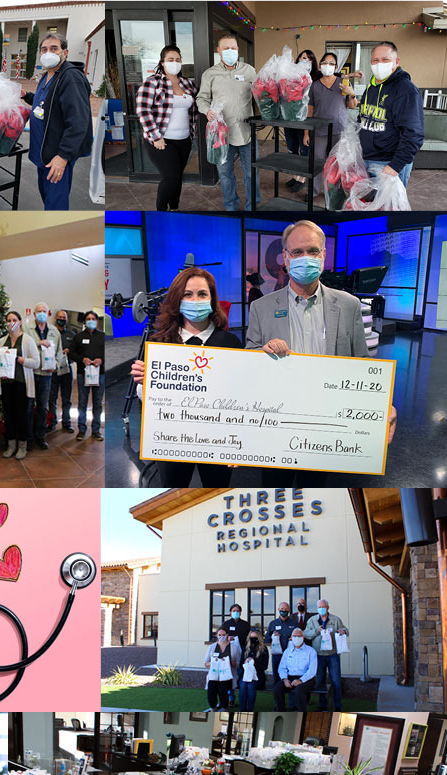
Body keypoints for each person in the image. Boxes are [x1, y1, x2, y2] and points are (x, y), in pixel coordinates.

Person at [246, 219, 371, 486]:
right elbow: (249, 358)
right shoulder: (261, 308)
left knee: (315, 489)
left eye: (313, 251)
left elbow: (362, 362)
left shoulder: (349, 305)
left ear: (324, 256)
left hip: (324, 422)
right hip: (277, 420)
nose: (306, 258)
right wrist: (261, 353)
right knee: (273, 487)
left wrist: (379, 408)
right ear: (285, 259)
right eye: (297, 252)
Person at [130, 266, 242, 487]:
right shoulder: (159, 342)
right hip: (172, 439)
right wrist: (145, 382)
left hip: (217, 440)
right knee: (173, 495)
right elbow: (146, 398)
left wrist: (238, 443)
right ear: (177, 300)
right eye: (187, 294)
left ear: (212, 299)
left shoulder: (231, 344)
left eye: (202, 294)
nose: (195, 300)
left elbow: (240, 398)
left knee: (215, 496)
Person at [22, 33, 94, 210]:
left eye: (54, 48)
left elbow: (79, 121)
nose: (49, 53)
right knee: (47, 196)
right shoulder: (47, 76)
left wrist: (63, 157)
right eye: (44, 49)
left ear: (65, 52)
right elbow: (47, 103)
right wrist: (27, 96)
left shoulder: (71, 78)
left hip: (56, 156)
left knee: (55, 205)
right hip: (44, 153)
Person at [196, 34, 261, 211]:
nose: (230, 51)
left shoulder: (249, 71)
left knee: (251, 173)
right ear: (218, 51)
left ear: (238, 49)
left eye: (233, 48)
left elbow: (260, 96)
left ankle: (252, 207)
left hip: (246, 131)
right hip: (221, 134)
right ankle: (231, 206)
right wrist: (207, 110)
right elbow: (201, 98)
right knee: (225, 174)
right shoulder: (210, 74)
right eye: (226, 48)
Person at [136, 45, 198, 211]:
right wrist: (156, 137)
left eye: (178, 60)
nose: (174, 63)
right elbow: (143, 110)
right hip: (161, 140)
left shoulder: (187, 84)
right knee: (170, 176)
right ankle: (161, 211)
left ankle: (174, 208)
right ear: (162, 62)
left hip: (184, 140)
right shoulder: (152, 82)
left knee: (177, 177)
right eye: (170, 60)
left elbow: (198, 105)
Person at [357, 41, 424, 188]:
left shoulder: (406, 90)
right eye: (375, 60)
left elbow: (413, 134)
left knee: (389, 208)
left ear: (396, 61)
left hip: (388, 164)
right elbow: (363, 118)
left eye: (385, 60)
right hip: (366, 160)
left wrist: (395, 166)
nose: (379, 64)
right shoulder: (371, 87)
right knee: (368, 206)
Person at [305, 53, 358, 199]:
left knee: (337, 163)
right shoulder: (315, 86)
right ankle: (313, 192)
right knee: (316, 162)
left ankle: (334, 193)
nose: (327, 66)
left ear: (335, 67)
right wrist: (306, 133)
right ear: (321, 65)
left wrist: (351, 93)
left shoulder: (343, 83)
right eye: (324, 62)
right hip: (319, 130)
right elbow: (310, 110)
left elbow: (352, 106)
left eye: (331, 63)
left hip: (339, 129)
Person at [0, 310, 40, 460]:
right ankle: (11, 445)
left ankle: (22, 446)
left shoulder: (27, 340)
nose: (10, 322)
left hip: (22, 384)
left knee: (22, 416)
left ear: (19, 322)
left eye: (14, 319)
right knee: (9, 415)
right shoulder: (2, 341)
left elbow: (37, 362)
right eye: (8, 320)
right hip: (6, 383)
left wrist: (22, 360)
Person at [26, 303, 61, 449]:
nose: (41, 313)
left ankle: (40, 436)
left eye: (44, 311)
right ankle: (27, 438)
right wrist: (39, 343)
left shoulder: (54, 332)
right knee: (28, 406)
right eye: (39, 311)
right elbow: (25, 347)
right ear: (34, 315)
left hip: (47, 375)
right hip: (31, 373)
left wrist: (56, 366)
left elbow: (59, 353)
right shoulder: (26, 330)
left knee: (42, 406)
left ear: (48, 313)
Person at [284, 51, 320, 192]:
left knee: (304, 149)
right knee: (292, 149)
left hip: (305, 120)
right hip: (290, 118)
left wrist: (351, 76)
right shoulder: (290, 75)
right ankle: (295, 176)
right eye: (303, 57)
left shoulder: (316, 77)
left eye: (310, 59)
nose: (306, 61)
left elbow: (335, 75)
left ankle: (302, 179)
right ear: (298, 59)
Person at [304, 599, 349, 711]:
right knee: (320, 680)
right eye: (319, 607)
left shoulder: (335, 619)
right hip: (318, 655)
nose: (321, 609)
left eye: (323, 607)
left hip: (332, 655)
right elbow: (306, 634)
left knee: (336, 681)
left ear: (328, 608)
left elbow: (346, 630)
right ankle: (322, 705)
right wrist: (316, 631)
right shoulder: (312, 620)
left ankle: (338, 706)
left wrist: (343, 631)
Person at [69, 310, 104, 441]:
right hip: (83, 374)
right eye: (88, 319)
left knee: (98, 403)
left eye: (93, 319)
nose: (90, 321)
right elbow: (71, 353)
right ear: (84, 322)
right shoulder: (78, 337)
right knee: (82, 403)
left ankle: (96, 430)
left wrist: (101, 360)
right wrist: (82, 359)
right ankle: (81, 430)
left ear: (96, 321)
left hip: (100, 374)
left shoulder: (102, 336)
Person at [274, 628, 318, 711]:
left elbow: (312, 671)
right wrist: (285, 679)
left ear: (303, 637)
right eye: (295, 636)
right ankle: (281, 710)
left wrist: (300, 680)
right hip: (289, 678)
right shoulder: (287, 651)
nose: (297, 638)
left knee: (299, 691)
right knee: (277, 689)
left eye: (299, 636)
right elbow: (282, 668)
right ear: (291, 637)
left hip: (306, 679)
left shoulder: (311, 651)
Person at [50, 309, 75, 432]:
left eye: (63, 317)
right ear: (55, 318)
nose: (61, 319)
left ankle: (66, 422)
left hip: (66, 370)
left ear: (67, 320)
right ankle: (52, 422)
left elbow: (77, 353)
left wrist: (70, 352)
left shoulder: (71, 335)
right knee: (52, 398)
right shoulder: (50, 333)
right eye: (59, 317)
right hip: (53, 370)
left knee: (67, 398)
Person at [204, 629, 236, 711]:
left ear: (227, 635)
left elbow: (238, 663)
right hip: (214, 675)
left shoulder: (233, 647)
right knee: (211, 691)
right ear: (216, 635)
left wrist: (228, 663)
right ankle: (213, 708)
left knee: (222, 690)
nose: (221, 637)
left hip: (227, 675)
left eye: (223, 635)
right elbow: (206, 663)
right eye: (219, 635)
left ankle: (225, 707)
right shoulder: (212, 647)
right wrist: (214, 663)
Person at [266, 601, 295, 690]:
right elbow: (267, 638)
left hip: (291, 655)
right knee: (276, 677)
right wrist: (272, 636)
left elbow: (300, 637)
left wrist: (294, 638)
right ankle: (277, 701)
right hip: (277, 655)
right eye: (282, 609)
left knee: (291, 676)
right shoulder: (273, 624)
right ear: (278, 610)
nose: (284, 611)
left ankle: (292, 702)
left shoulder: (294, 623)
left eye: (286, 609)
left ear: (289, 610)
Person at [239, 629, 268, 710]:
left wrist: (254, 663)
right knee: (243, 686)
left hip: (257, 676)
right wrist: (245, 662)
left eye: (255, 637)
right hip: (245, 675)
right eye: (251, 637)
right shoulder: (246, 648)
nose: (253, 639)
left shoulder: (264, 649)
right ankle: (242, 709)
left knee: (251, 686)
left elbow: (264, 666)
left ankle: (250, 709)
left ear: (259, 638)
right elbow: (240, 664)